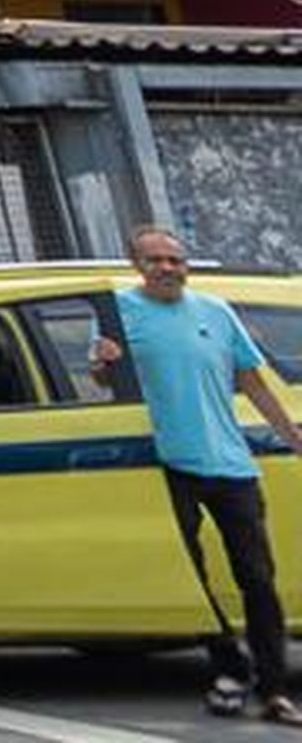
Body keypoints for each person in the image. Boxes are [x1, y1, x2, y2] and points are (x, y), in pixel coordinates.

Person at [96, 226, 302, 725]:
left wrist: (292, 435)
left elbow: (251, 380)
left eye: (175, 259)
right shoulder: (117, 312)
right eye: (156, 260)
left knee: (258, 578)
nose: (168, 268)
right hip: (166, 465)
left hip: (230, 463)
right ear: (136, 265)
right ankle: (230, 667)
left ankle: (274, 689)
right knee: (191, 577)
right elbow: (103, 380)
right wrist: (103, 367)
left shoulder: (215, 310)